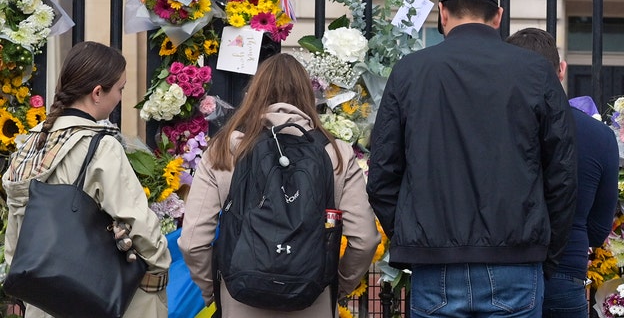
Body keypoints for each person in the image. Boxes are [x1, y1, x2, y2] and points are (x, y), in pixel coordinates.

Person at [366, 0, 578, 317]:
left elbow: (382, 176)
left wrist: (416, 235)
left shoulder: (409, 72)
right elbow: (563, 174)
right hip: (516, 260)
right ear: (498, 16)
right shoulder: (536, 72)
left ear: (443, 14)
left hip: (436, 265)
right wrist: (545, 252)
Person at [178, 53, 380, 317]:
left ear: (254, 92)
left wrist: (215, 290)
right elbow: (365, 239)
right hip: (312, 300)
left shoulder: (224, 150)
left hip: (240, 300)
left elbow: (193, 242)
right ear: (307, 95)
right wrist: (335, 286)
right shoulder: (335, 153)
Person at [2, 41, 171, 318]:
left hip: (41, 296)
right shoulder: (99, 146)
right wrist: (160, 264)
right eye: (120, 89)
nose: (119, 98)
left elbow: (16, 226)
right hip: (91, 293)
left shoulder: (30, 142)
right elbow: (138, 224)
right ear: (97, 93)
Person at [507, 27, 619, 317]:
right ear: (561, 69)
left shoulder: (492, 127)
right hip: (566, 271)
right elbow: (597, 231)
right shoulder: (599, 136)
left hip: (503, 270)